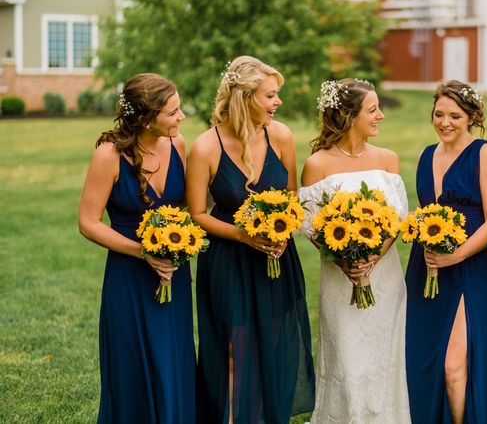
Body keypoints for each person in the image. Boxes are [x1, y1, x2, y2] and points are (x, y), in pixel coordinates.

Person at [186, 56, 315, 423]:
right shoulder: (205, 148)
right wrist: (244, 236)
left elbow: (293, 196)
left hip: (276, 260)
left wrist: (281, 232)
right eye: (271, 95)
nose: (278, 103)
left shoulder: (282, 136)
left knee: (272, 347)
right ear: (245, 98)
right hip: (229, 260)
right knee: (232, 348)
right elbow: (197, 214)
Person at [78, 73, 194, 423]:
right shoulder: (109, 155)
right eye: (173, 112)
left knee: (172, 361)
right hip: (129, 276)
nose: (181, 117)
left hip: (173, 272)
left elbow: (186, 207)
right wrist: (143, 252)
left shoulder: (178, 146)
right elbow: (88, 222)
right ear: (146, 117)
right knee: (132, 365)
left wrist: (176, 243)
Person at [298, 78, 411, 423]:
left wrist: (373, 258)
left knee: (384, 356)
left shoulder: (388, 159)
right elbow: (310, 225)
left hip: (385, 278)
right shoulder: (317, 164)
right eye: (372, 109)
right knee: (346, 358)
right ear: (348, 116)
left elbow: (397, 219)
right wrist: (345, 259)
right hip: (339, 278)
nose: (380, 115)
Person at [404, 80, 487, 424]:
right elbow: (425, 212)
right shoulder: (424, 155)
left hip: (473, 269)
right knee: (422, 360)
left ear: (471, 117)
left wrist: (458, 254)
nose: (444, 122)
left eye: (454, 116)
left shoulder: (485, 153)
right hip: (428, 267)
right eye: (438, 114)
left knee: (454, 366)